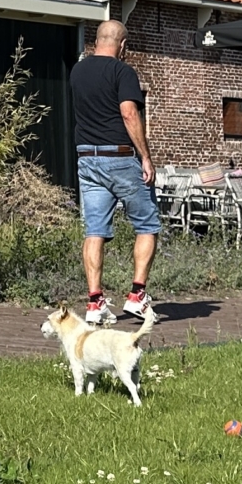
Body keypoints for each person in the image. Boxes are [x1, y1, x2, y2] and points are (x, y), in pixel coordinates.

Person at [66, 18, 158, 327]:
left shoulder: (78, 71)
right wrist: (145, 157)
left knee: (94, 230)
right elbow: (129, 113)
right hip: (119, 157)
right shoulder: (123, 71)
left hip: (87, 158)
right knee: (147, 224)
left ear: (95, 42)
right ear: (122, 45)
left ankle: (95, 303)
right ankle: (137, 297)